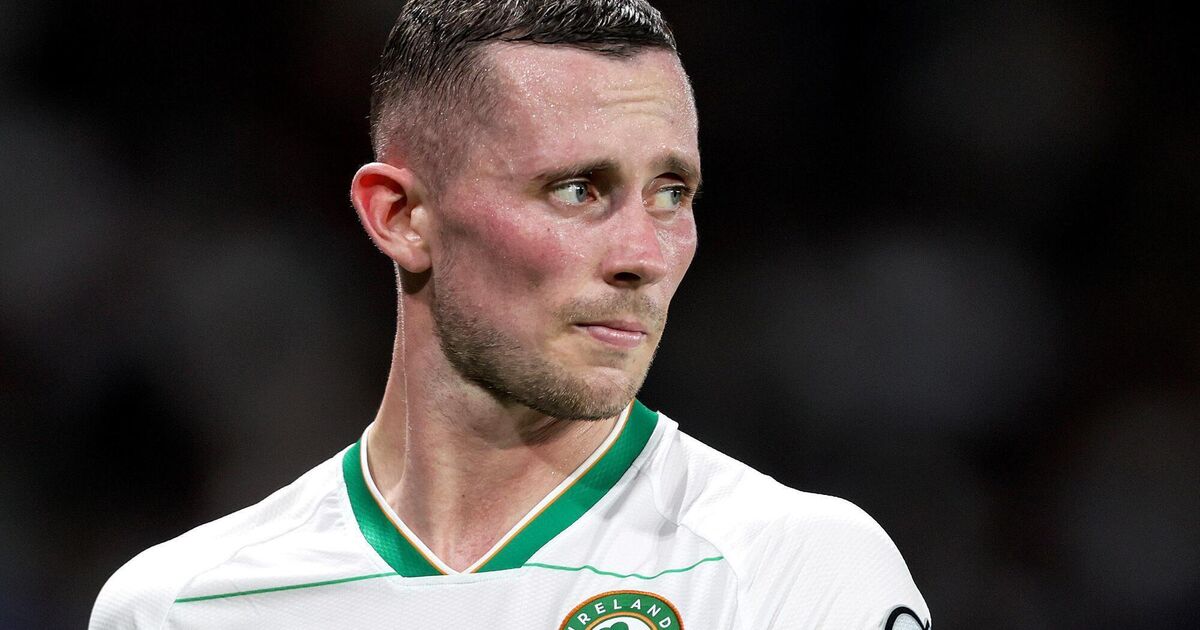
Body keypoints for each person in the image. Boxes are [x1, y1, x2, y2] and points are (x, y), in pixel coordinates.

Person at [90, 1, 931, 628]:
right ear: (400, 216)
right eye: (578, 189)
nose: (644, 253)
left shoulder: (793, 570)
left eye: (672, 192)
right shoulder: (179, 607)